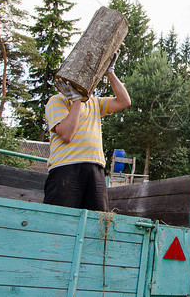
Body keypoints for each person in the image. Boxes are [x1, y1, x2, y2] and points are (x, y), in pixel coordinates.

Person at [44, 53, 131, 211]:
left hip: (95, 169)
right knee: (59, 223)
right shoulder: (57, 101)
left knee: (96, 223)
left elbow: (124, 101)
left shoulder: (95, 102)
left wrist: (110, 72)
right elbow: (67, 134)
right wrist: (77, 100)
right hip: (66, 168)